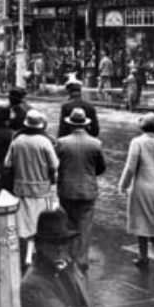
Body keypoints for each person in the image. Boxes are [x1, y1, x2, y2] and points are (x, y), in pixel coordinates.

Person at [4, 109, 59, 266]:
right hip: (41, 189)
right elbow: (55, 165)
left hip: (20, 188)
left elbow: (7, 163)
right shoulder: (45, 142)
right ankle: (30, 255)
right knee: (37, 223)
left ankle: (21, 256)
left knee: (22, 223)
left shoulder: (17, 140)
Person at [118, 112, 154, 269]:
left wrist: (123, 185)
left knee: (141, 221)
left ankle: (143, 257)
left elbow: (130, 167)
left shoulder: (137, 142)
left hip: (142, 186)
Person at [55, 107, 106, 268]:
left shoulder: (61, 143)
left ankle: (69, 256)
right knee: (85, 226)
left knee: (68, 223)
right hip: (88, 190)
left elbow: (56, 166)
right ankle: (82, 259)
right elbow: (101, 168)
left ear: (70, 125)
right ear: (85, 125)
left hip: (66, 190)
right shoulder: (95, 144)